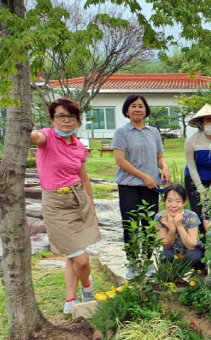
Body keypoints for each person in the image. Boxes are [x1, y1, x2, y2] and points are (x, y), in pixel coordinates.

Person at [30, 98, 100, 314]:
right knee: (80, 258)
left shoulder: (78, 146)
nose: (66, 121)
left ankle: (70, 299)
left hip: (78, 200)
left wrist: (92, 206)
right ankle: (87, 287)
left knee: (74, 254)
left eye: (70, 117)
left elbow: (85, 179)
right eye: (61, 116)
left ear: (77, 121)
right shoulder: (47, 137)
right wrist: (27, 126)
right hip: (56, 204)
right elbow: (34, 138)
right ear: (52, 120)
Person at [112, 94, 172, 278]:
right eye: (133, 106)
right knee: (130, 225)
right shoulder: (121, 132)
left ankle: (147, 262)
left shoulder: (153, 132)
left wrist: (165, 168)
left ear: (146, 110)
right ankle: (132, 263)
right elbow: (120, 160)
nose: (137, 109)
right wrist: (144, 176)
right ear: (127, 111)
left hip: (151, 186)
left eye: (141, 106)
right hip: (129, 185)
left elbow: (159, 157)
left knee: (149, 224)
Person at [155, 185, 204, 271]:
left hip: (191, 250)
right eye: (169, 201)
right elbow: (166, 246)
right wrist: (172, 229)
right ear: (165, 202)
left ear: (184, 203)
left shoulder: (191, 216)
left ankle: (197, 277)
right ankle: (170, 278)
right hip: (171, 249)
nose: (173, 205)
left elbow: (191, 246)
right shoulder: (160, 217)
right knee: (165, 256)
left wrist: (179, 225)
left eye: (178, 201)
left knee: (194, 257)